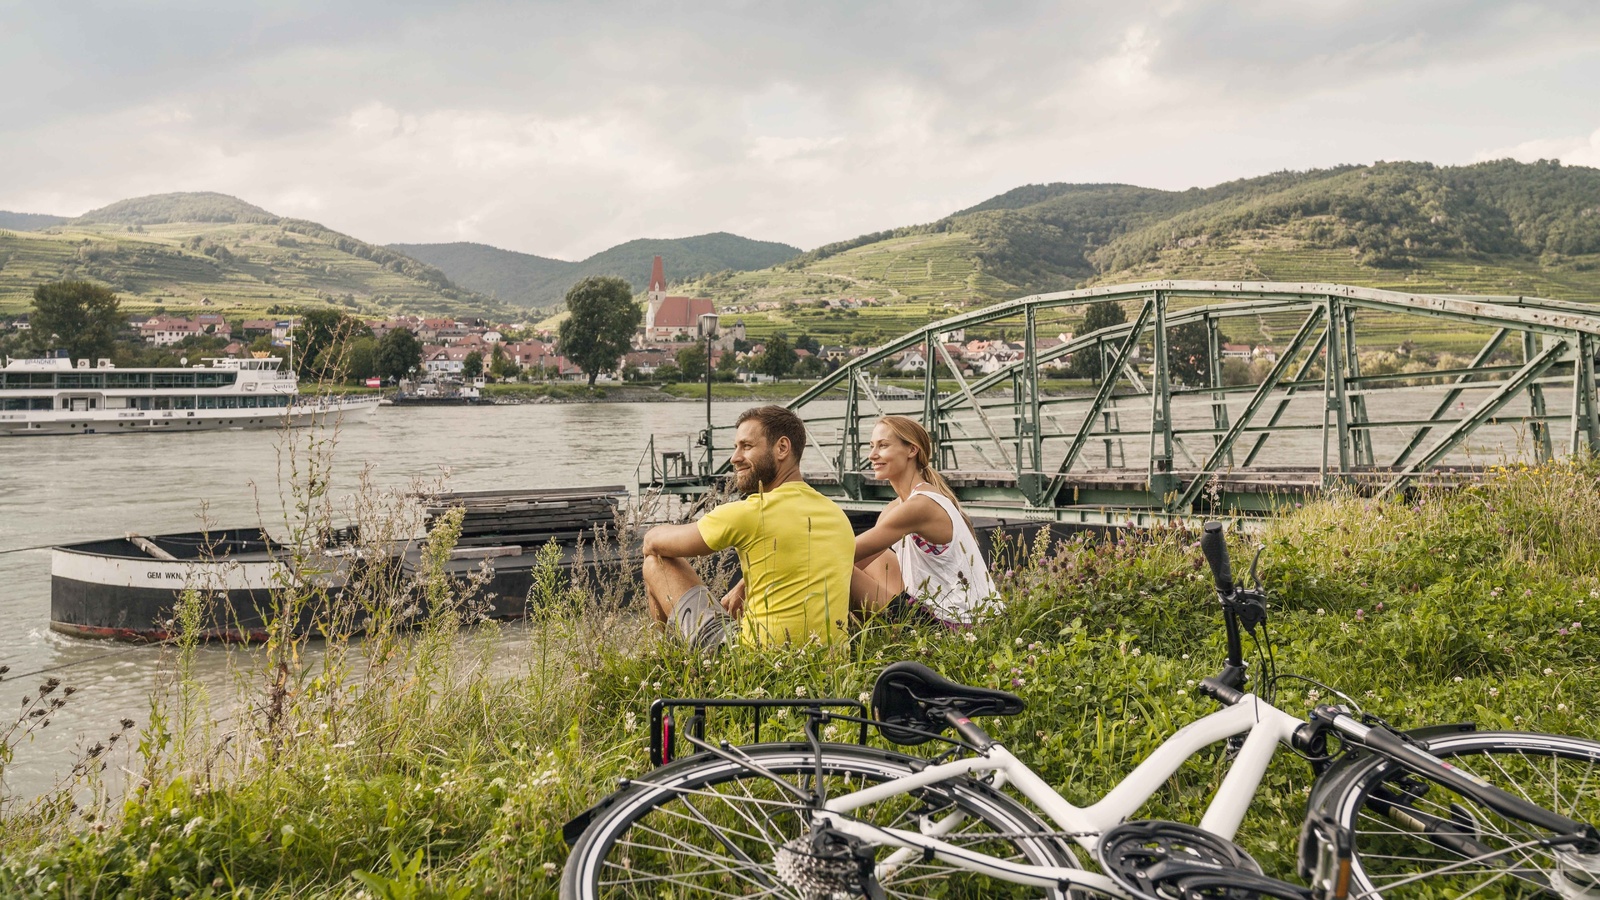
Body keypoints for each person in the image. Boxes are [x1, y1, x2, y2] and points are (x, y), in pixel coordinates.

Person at [641, 405, 854, 649]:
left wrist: (651, 534)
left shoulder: (751, 512)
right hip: (825, 667)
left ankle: (671, 659)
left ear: (782, 448)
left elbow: (653, 543)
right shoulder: (837, 515)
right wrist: (745, 583)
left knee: (655, 561)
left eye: (747, 446)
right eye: (735, 447)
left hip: (753, 664)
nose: (734, 458)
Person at [849, 415, 999, 626]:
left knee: (839, 571)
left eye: (883, 446)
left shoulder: (920, 505)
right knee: (875, 559)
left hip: (955, 625)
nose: (872, 455)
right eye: (872, 446)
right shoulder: (897, 507)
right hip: (937, 610)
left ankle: (843, 642)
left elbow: (844, 556)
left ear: (912, 450)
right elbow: (858, 557)